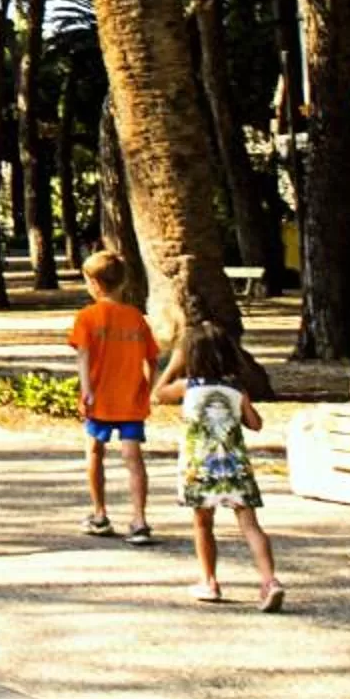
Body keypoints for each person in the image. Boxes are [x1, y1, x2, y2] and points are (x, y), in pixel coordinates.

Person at [157, 326, 286, 611]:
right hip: (234, 463)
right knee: (250, 525)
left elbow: (159, 393)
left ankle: (209, 580)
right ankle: (269, 580)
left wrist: (173, 365)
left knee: (203, 523)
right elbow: (255, 424)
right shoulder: (235, 389)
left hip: (200, 465)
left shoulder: (188, 386)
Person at [69, 249, 160, 542]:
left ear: (94, 283)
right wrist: (149, 387)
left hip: (100, 399)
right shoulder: (135, 317)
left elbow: (82, 357)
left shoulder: (86, 317)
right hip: (131, 398)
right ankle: (139, 518)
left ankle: (99, 512)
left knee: (94, 453)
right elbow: (152, 358)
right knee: (133, 459)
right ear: (122, 282)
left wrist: (87, 391)